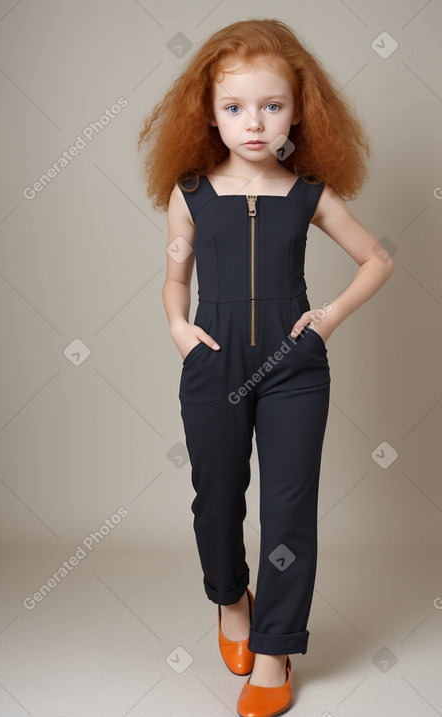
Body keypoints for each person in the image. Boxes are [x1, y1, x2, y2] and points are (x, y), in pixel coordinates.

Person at [138, 18, 393, 717]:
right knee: (215, 501)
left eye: (272, 105)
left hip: (294, 368)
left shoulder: (310, 193)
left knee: (289, 510)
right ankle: (230, 600)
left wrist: (329, 319)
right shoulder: (187, 194)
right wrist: (178, 327)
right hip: (212, 363)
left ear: (300, 109)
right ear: (208, 112)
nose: (254, 123)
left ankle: (276, 651)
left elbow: (379, 258)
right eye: (235, 107)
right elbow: (173, 277)